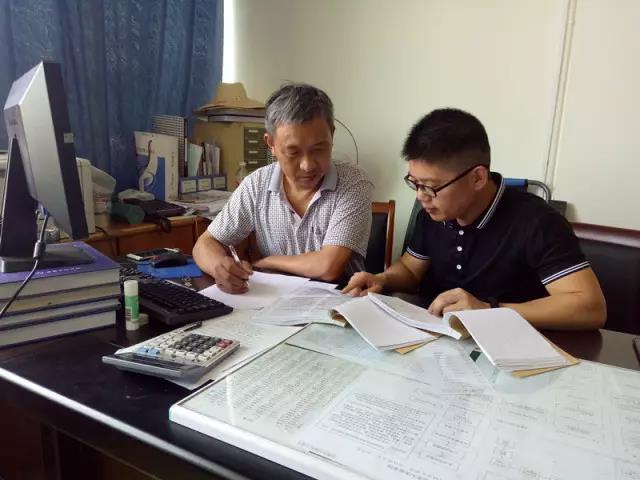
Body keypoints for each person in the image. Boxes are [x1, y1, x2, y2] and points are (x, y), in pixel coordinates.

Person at [343, 108, 606, 330]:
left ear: (478, 178)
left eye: (431, 186)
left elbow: (590, 307)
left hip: (510, 347)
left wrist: (489, 311)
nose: (421, 197)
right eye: (415, 183)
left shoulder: (537, 222)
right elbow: (411, 269)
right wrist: (383, 279)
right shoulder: (433, 213)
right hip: (438, 341)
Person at [193, 83, 373, 294]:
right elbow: (205, 243)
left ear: (332, 135)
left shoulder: (354, 182)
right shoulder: (257, 184)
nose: (308, 165)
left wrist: (268, 261)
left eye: (319, 149)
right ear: (270, 144)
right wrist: (219, 267)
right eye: (293, 152)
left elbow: (327, 267)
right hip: (274, 301)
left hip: (337, 303)